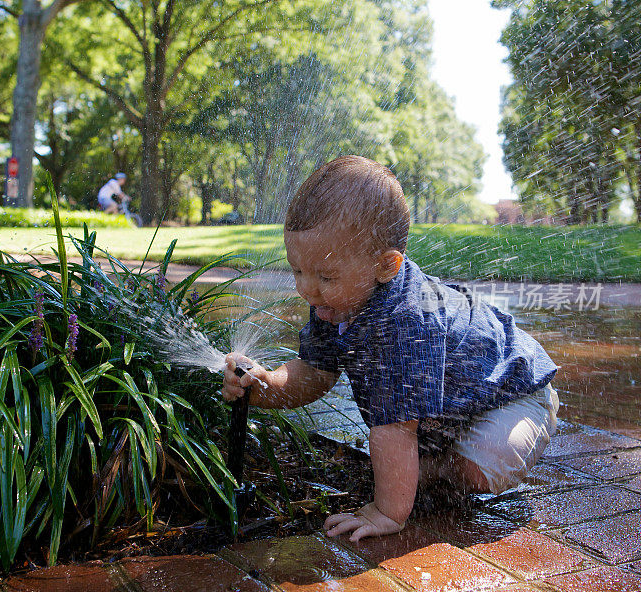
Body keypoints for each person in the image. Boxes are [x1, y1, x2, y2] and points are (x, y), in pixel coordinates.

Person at [222, 155, 558, 543]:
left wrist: (387, 512)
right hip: (455, 407)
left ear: (386, 265)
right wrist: (265, 384)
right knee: (407, 443)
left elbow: (395, 428)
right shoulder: (335, 302)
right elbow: (314, 373)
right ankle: (423, 467)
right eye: (298, 270)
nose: (306, 289)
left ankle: (430, 470)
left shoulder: (407, 322)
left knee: (479, 469)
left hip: (515, 395)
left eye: (325, 276)